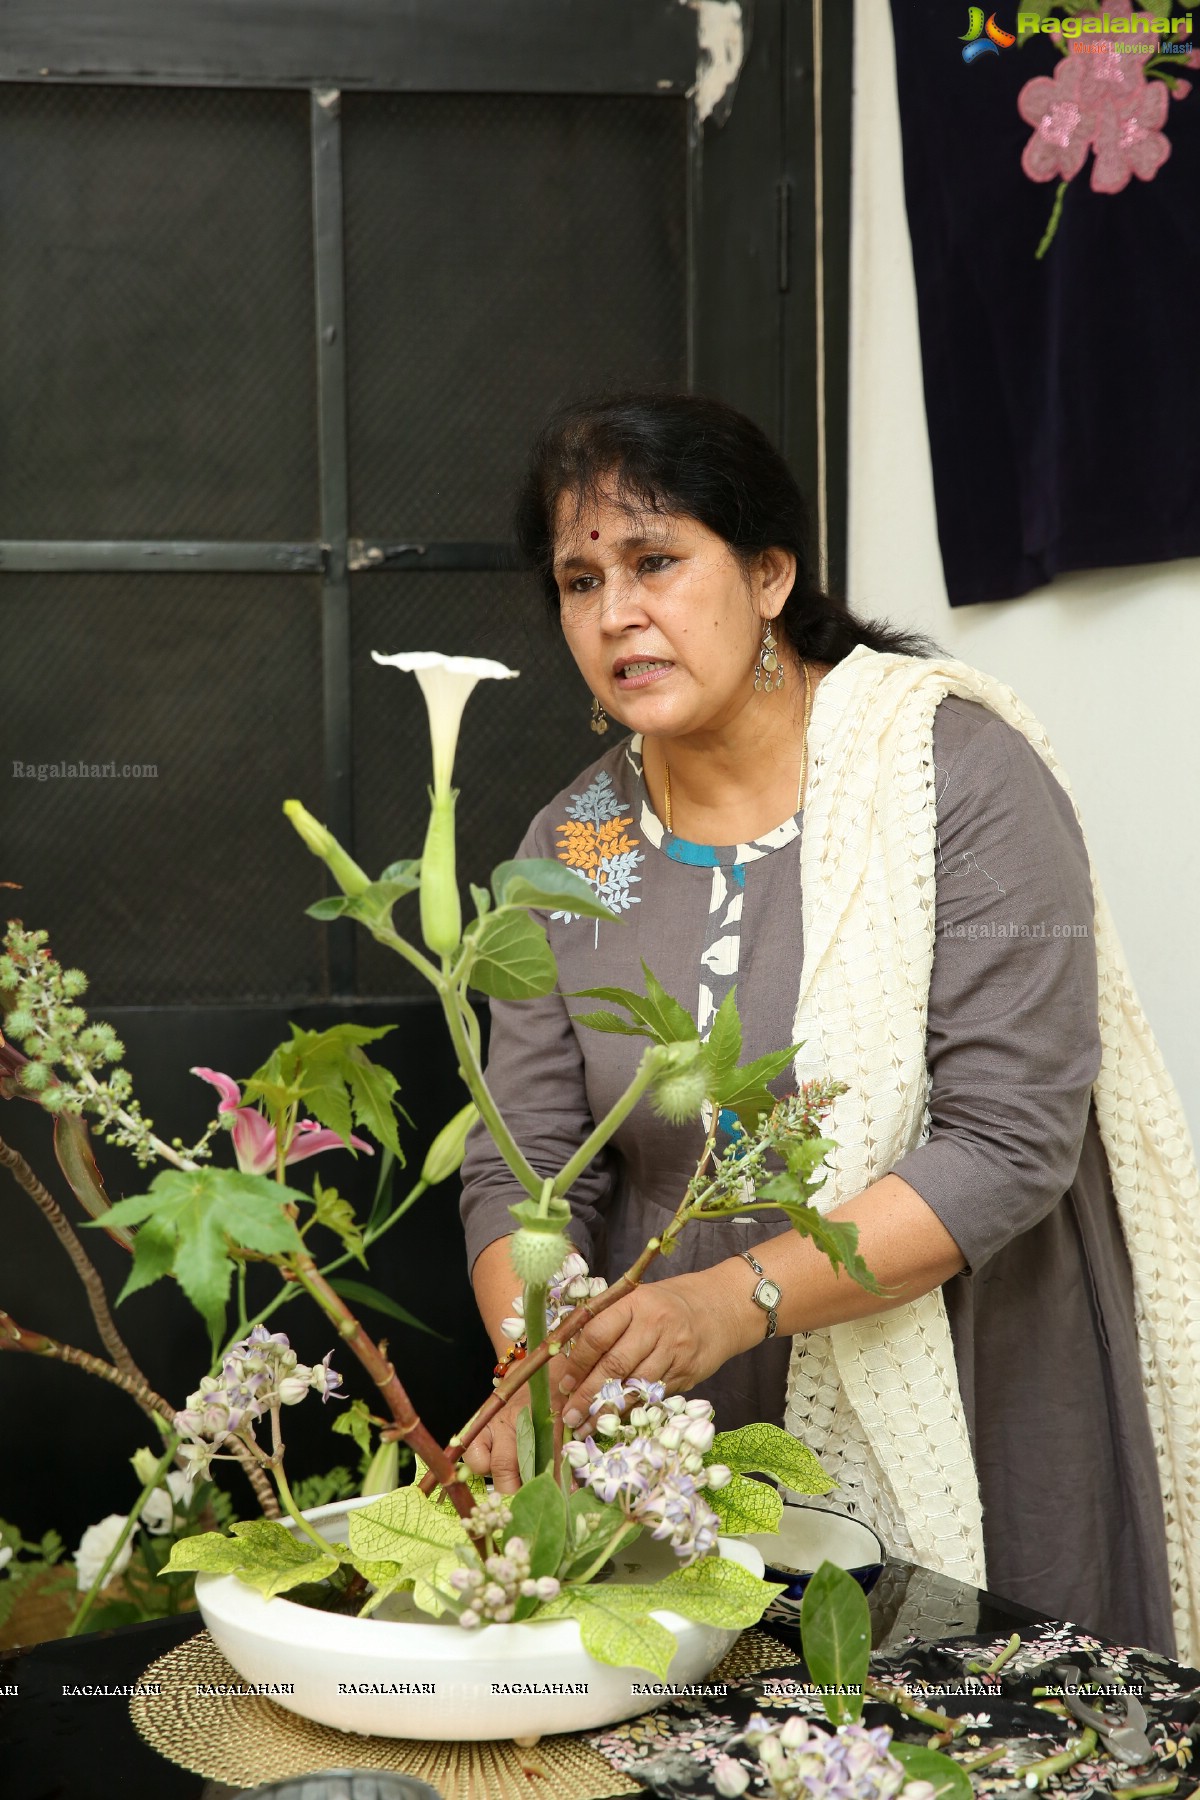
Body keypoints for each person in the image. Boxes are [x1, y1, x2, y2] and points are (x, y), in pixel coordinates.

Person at [458, 392, 1200, 1658]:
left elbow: (1012, 1137)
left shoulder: (947, 772)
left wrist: (726, 1303)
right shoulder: (571, 844)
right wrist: (555, 1358)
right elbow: (518, 1159)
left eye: (654, 561)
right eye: (580, 580)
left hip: (972, 1380)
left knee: (975, 1739)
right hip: (683, 1420)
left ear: (767, 573)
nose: (614, 612)